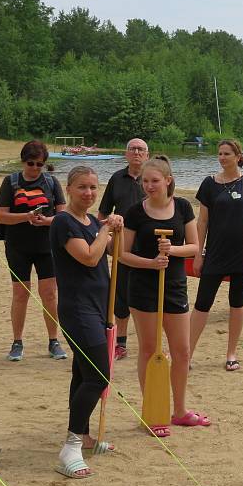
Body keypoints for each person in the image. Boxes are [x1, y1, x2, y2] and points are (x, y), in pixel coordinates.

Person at [121, 156, 207, 438]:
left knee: (181, 350)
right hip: (144, 287)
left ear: (168, 181)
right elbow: (122, 253)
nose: (149, 186)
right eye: (145, 181)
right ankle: (152, 412)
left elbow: (194, 247)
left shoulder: (182, 207)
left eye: (155, 181)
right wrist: (150, 262)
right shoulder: (135, 212)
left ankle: (179, 411)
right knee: (148, 350)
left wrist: (172, 250)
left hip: (174, 286)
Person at [50, 166, 123, 479]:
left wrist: (115, 229)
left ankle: (86, 435)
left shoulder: (92, 221)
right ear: (69, 188)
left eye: (94, 187)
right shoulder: (64, 222)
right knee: (98, 376)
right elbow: (90, 257)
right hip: (78, 310)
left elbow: (110, 252)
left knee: (82, 374)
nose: (89, 193)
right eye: (82, 187)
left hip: (97, 308)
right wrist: (107, 228)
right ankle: (70, 447)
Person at [190, 139, 243, 372]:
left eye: (227, 153)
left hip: (241, 253)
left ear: (238, 156)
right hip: (214, 253)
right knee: (202, 304)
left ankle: (231, 354)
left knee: (237, 303)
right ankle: (187, 353)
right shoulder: (209, 184)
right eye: (219, 153)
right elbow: (202, 222)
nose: (222, 157)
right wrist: (198, 254)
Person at [0, 140, 67, 362]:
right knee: (20, 294)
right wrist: (26, 217)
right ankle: (17, 342)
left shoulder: (51, 182)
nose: (35, 168)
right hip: (17, 246)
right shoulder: (11, 181)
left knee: (49, 293)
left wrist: (46, 221)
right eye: (31, 163)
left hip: (47, 246)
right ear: (23, 161)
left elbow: (63, 217)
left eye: (40, 164)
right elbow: (1, 216)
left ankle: (53, 340)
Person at [98, 138, 150, 360]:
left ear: (147, 155)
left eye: (141, 149)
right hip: (122, 247)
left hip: (149, 246)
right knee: (121, 295)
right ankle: (120, 343)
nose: (136, 152)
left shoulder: (153, 179)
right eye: (132, 149)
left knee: (150, 294)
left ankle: (150, 341)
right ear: (126, 154)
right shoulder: (116, 179)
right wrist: (107, 235)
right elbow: (102, 214)